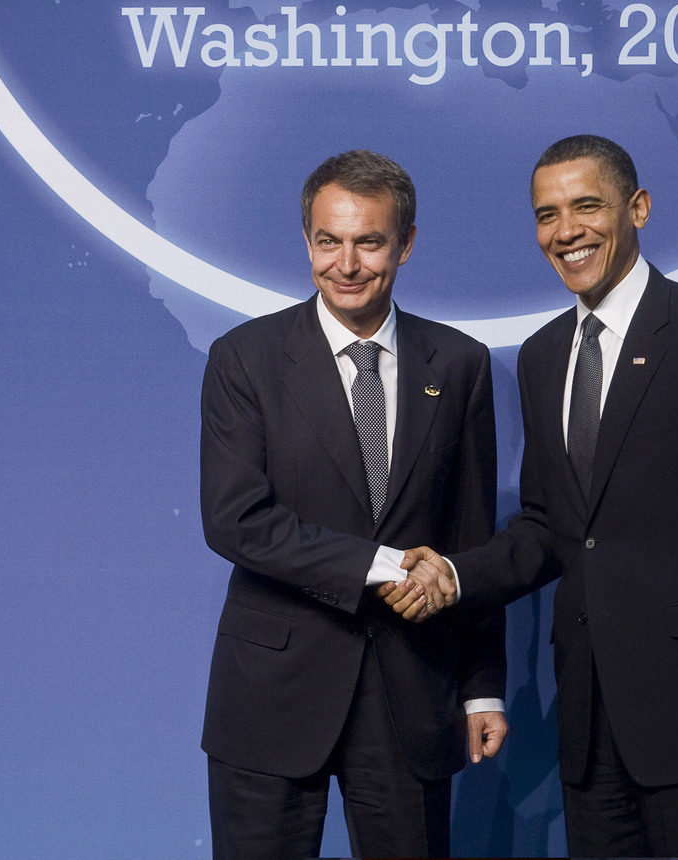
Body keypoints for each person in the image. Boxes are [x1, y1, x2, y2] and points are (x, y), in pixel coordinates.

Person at [384, 135, 678, 856]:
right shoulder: (545, 356)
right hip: (589, 725)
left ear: (637, 208)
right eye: (547, 215)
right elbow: (551, 525)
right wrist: (454, 574)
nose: (566, 231)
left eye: (586, 206)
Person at [199, 149, 508, 859]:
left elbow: (470, 539)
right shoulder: (244, 358)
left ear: (405, 243)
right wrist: (381, 565)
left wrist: (483, 687)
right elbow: (235, 519)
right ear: (307, 241)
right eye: (328, 241)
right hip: (272, 695)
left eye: (368, 241)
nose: (347, 263)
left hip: (410, 691)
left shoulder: (459, 364)